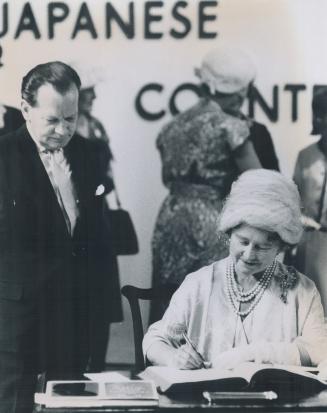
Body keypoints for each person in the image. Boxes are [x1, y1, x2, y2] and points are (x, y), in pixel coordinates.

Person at [0, 61, 113, 413]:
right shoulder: (3, 156)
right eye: (52, 120)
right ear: (26, 109)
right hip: (19, 311)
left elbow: (97, 236)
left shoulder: (88, 152)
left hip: (75, 307)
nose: (63, 130)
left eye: (71, 118)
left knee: (71, 403)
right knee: (13, 402)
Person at [144, 169, 327, 369]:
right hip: (204, 398)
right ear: (229, 233)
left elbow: (320, 350)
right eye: (243, 241)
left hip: (275, 399)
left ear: (281, 246)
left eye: (262, 247)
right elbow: (155, 340)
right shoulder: (199, 284)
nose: (249, 254)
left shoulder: (302, 290)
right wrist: (173, 357)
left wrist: (256, 354)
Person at [150, 46, 264, 323]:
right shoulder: (230, 127)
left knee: (170, 299)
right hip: (211, 220)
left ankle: (162, 359)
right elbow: (259, 181)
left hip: (171, 218)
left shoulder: (172, 126)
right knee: (212, 302)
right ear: (238, 91)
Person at [73, 63, 123, 372]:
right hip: (79, 224)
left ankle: (98, 367)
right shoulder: (65, 130)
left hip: (100, 225)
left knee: (102, 304)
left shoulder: (96, 126)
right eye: (86, 92)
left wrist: (103, 186)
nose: (92, 97)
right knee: (78, 303)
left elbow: (106, 177)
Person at [293, 86, 327, 314]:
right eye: (318, 113)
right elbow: (295, 200)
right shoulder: (306, 156)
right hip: (314, 244)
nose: (320, 119)